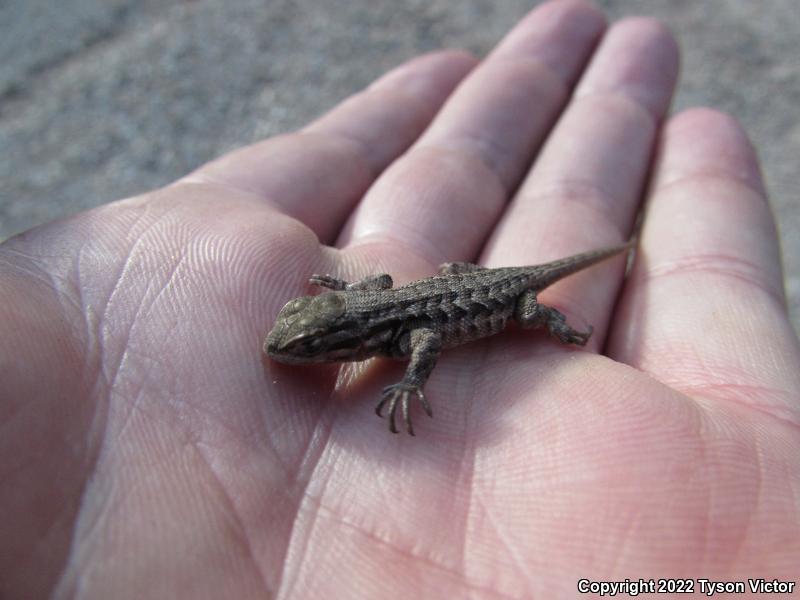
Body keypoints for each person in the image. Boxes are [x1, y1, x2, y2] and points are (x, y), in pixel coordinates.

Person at [2, 1, 798, 597]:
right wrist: (345, 296)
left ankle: (567, 303)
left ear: (345, 346)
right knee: (471, 286)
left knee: (528, 314)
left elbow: (414, 335)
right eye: (304, 339)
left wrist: (418, 378)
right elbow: (377, 290)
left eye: (310, 344)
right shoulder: (374, 320)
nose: (293, 352)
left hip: (491, 298)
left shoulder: (394, 342)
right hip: (449, 288)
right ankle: (585, 265)